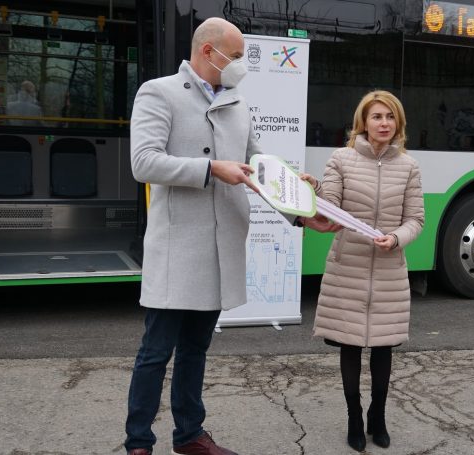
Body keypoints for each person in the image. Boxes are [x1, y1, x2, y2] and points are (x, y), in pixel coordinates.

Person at [124, 17, 336, 455]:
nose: (241, 65)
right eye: (236, 57)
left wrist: (300, 206)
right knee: (155, 352)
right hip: (176, 248)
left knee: (196, 348)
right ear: (208, 51)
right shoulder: (158, 92)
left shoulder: (237, 102)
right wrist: (209, 169)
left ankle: (189, 436)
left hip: (221, 248)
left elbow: (258, 167)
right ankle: (138, 443)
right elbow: (144, 163)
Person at [305, 90, 425, 452]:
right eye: (376, 117)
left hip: (389, 271)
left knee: (385, 348)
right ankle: (354, 418)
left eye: (390, 117)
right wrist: (314, 192)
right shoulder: (341, 159)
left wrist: (396, 237)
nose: (383, 123)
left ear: (398, 123)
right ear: (364, 122)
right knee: (351, 346)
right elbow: (332, 209)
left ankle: (378, 415)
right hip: (349, 267)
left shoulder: (409, 166)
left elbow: (416, 219)